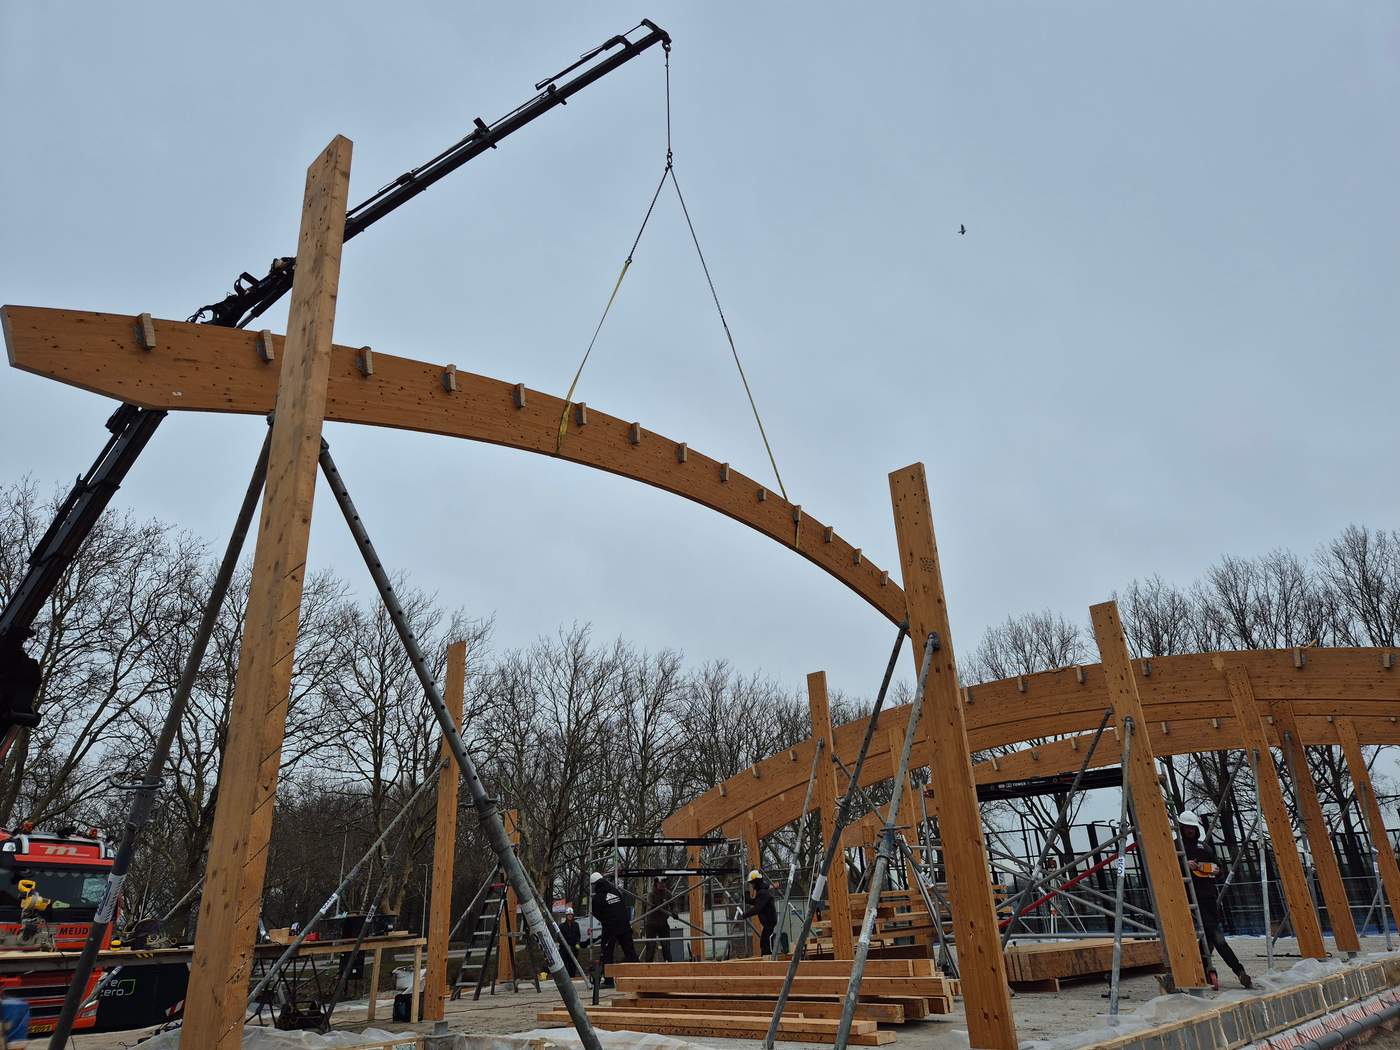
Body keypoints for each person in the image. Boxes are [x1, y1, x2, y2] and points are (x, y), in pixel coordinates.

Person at [1178, 810, 1253, 990]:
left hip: (1209, 896)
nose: (1189, 830)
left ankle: (1205, 969)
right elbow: (1167, 868)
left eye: (1192, 827)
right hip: (1191, 898)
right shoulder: (1175, 847)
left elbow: (1218, 868)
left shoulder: (1205, 848)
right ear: (1181, 828)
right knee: (1216, 936)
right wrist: (1183, 865)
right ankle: (1238, 970)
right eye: (1186, 827)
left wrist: (1218, 871)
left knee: (1210, 937)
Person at [590, 871, 637, 986]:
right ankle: (639, 975)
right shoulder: (615, 891)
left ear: (594, 884)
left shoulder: (597, 898)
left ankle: (609, 980)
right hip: (624, 925)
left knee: (607, 953)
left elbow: (596, 913)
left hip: (610, 927)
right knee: (630, 951)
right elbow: (622, 906)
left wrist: (606, 921)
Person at [742, 869, 778, 956]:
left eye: (753, 883)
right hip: (768, 924)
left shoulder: (763, 893)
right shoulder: (762, 892)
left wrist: (746, 914)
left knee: (766, 943)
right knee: (764, 942)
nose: (752, 885)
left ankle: (768, 961)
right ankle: (766, 959)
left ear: (757, 882)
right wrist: (747, 897)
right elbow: (757, 902)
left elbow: (757, 908)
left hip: (769, 923)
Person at [641, 879, 676, 962]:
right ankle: (648, 968)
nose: (662, 885)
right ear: (656, 884)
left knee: (666, 945)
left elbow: (673, 904)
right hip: (651, 924)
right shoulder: (651, 894)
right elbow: (649, 906)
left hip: (663, 923)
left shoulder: (668, 894)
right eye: (660, 883)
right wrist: (654, 906)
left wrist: (674, 912)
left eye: (664, 883)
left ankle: (669, 965)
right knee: (651, 946)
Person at [558, 905, 584, 978]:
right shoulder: (562, 926)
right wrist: (566, 946)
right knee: (566, 964)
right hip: (564, 950)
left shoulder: (576, 925)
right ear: (566, 916)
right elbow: (559, 938)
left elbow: (578, 935)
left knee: (573, 964)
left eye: (571, 915)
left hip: (574, 949)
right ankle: (567, 978)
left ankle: (572, 977)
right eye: (568, 915)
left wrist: (577, 943)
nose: (570, 916)